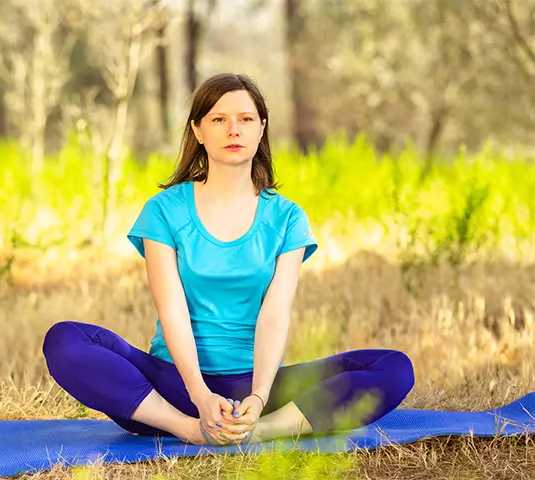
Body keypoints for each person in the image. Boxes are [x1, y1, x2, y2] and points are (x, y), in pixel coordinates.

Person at [42, 73, 415, 446]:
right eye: (218, 119)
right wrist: (200, 398)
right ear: (198, 130)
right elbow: (172, 310)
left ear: (261, 129)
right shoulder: (164, 211)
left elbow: (274, 315)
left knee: (394, 369)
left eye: (246, 119)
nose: (233, 129)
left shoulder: (287, 217)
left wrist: (258, 398)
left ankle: (260, 431)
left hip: (260, 392)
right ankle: (187, 429)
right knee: (65, 340)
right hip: (173, 388)